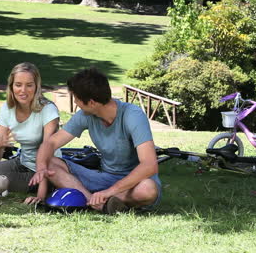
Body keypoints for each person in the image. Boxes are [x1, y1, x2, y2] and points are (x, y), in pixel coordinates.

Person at [29, 68, 161, 214]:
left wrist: (110, 191)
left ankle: (109, 199)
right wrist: (41, 168)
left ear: (91, 102)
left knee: (148, 189)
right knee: (50, 162)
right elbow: (51, 143)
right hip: (104, 178)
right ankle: (94, 202)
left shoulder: (133, 116)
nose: (76, 103)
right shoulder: (85, 115)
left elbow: (149, 166)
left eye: (76, 98)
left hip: (134, 183)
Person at [0, 62, 61, 204]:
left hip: (46, 171)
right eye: (18, 84)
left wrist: (40, 196)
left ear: (36, 87)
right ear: (11, 86)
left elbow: (47, 154)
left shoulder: (48, 109)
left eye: (29, 85)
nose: (23, 90)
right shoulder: (7, 109)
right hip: (22, 162)